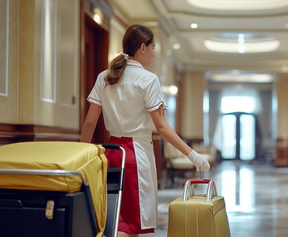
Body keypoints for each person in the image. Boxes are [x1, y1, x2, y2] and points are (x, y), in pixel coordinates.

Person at [80, 24, 210, 237]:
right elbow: (161, 127)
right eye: (152, 48)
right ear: (142, 47)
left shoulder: (105, 77)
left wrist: (81, 158)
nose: (153, 54)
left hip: (111, 154)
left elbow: (89, 123)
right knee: (130, 226)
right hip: (136, 156)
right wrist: (193, 155)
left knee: (113, 220)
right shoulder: (148, 80)